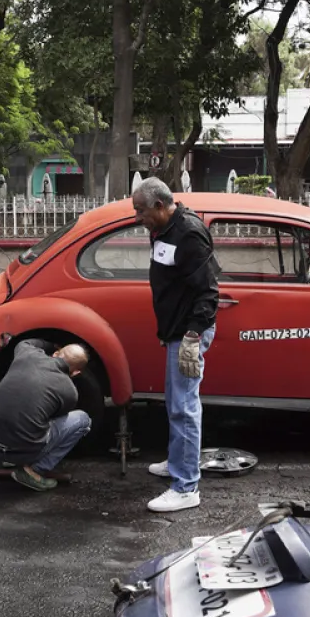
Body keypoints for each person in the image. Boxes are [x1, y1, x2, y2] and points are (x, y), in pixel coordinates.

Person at [132, 177, 220, 513]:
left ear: (159, 205)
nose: (138, 218)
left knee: (184, 407)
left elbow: (209, 292)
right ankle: (178, 462)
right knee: (176, 403)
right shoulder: (161, 229)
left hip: (188, 333)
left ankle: (186, 487)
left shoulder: (188, 234)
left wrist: (192, 338)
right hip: (174, 331)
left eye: (141, 211)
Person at [0, 337, 92, 491]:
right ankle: (35, 471)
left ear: (55, 353)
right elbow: (55, 417)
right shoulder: (69, 391)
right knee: (83, 420)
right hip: (23, 453)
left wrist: (51, 344)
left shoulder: (27, 353)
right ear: (77, 372)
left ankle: (6, 459)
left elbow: (25, 342)